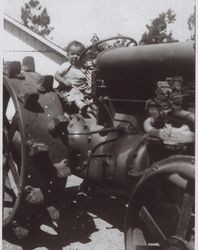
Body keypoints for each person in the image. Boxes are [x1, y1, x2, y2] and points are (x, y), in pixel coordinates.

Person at [55, 40, 90, 114]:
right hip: (68, 90)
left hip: (82, 92)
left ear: (82, 56)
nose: (75, 56)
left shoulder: (83, 68)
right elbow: (56, 75)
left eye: (78, 54)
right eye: (72, 54)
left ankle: (88, 108)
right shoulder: (66, 65)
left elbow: (88, 79)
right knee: (74, 94)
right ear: (67, 55)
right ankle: (81, 105)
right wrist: (63, 81)